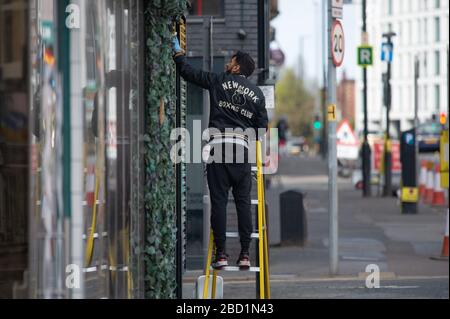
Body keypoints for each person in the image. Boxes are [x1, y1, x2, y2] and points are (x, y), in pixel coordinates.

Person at [172, 35, 268, 269]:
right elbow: (262, 128)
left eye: (231, 60)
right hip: (242, 152)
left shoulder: (219, 81)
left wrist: (178, 53)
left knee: (219, 203)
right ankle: (245, 254)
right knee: (243, 204)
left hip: (218, 149)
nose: (227, 62)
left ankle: (222, 255)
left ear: (236, 66)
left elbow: (190, 74)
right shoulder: (257, 94)